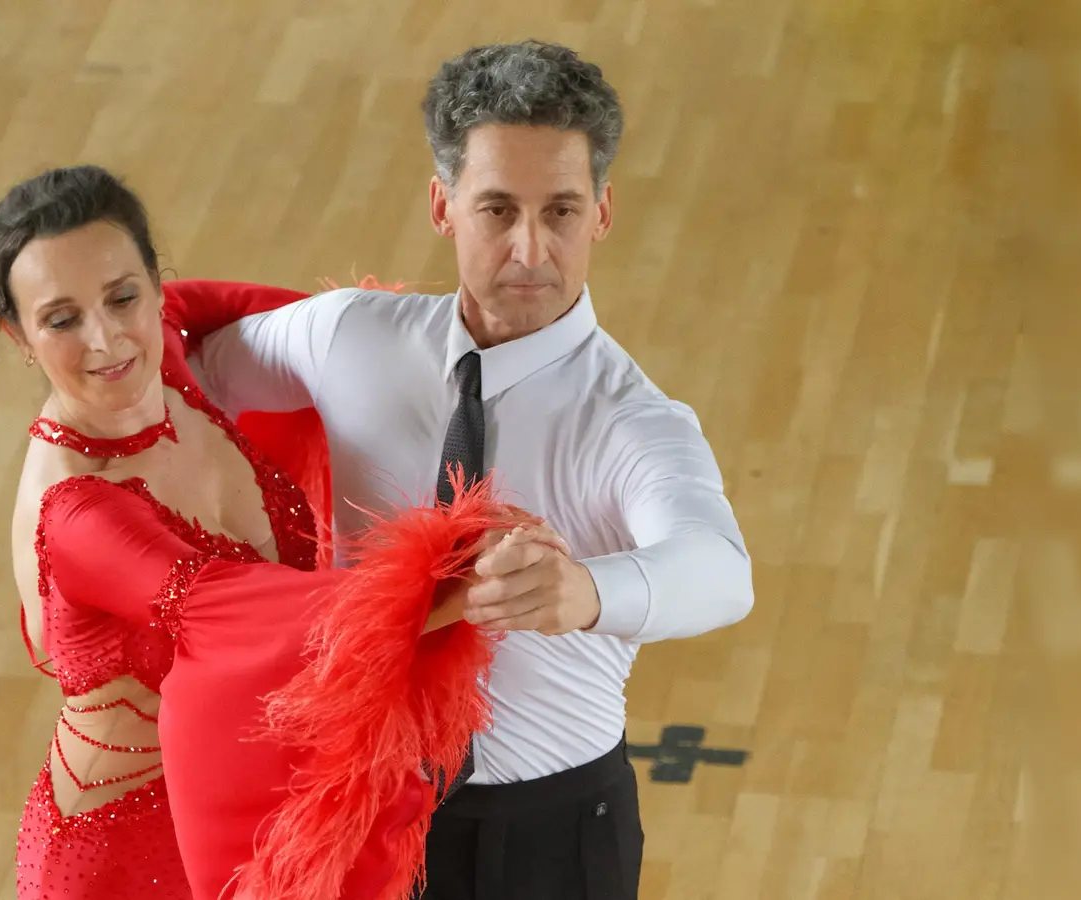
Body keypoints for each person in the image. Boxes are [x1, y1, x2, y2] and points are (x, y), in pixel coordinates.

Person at [165, 40, 756, 899]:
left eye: (560, 210)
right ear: (442, 206)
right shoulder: (348, 339)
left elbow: (720, 570)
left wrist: (581, 593)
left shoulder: (632, 421)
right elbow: (178, 368)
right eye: (496, 211)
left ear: (603, 211)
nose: (529, 249)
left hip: (549, 839)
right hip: (360, 812)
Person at [0, 164, 548, 900]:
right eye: (61, 319)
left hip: (260, 802)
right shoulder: (78, 511)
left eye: (124, 297)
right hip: (126, 856)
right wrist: (463, 583)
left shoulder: (167, 349)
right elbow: (244, 615)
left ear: (156, 284)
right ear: (17, 336)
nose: (107, 339)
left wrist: (417, 351)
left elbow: (307, 321)